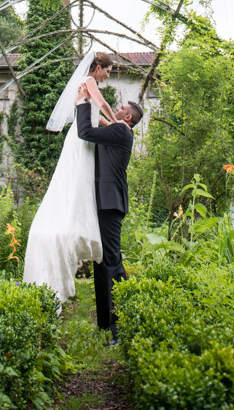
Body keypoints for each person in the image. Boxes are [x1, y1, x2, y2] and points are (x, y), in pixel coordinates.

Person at [22, 50, 119, 303]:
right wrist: (119, 123)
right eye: (108, 72)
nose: (108, 76)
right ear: (97, 67)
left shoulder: (86, 84)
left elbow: (95, 115)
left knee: (79, 181)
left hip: (83, 137)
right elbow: (103, 105)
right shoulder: (88, 81)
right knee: (77, 180)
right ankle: (75, 228)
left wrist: (110, 125)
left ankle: (78, 227)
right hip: (81, 140)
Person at [76, 82, 143, 344]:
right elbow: (102, 121)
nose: (117, 107)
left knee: (112, 262)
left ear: (128, 118)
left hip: (110, 203)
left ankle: (122, 328)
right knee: (102, 261)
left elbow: (85, 132)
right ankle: (106, 323)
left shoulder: (122, 131)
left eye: (122, 107)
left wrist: (83, 102)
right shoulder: (117, 130)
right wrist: (90, 101)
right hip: (104, 202)